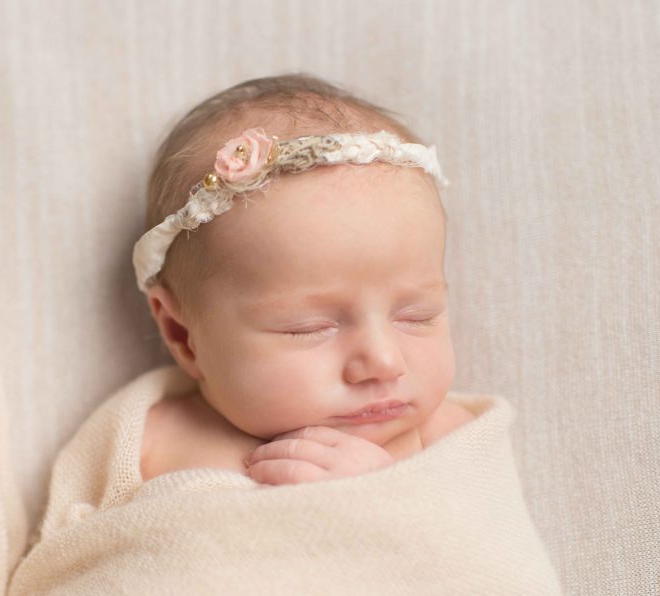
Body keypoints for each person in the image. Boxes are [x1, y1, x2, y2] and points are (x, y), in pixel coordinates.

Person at [135, 73, 476, 486]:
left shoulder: (448, 441)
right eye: (309, 327)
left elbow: (484, 545)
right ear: (182, 333)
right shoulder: (147, 439)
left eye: (417, 316)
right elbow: (68, 544)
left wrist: (389, 495)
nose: (384, 362)